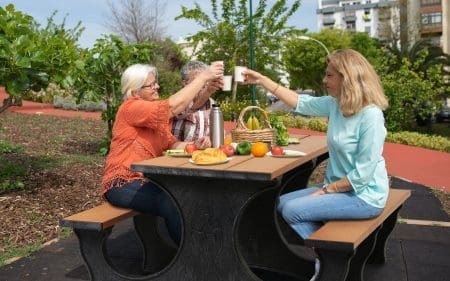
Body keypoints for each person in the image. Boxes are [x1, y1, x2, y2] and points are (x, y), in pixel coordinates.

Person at [243, 49, 389, 281]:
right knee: (280, 203)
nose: (324, 80)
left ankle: (328, 259)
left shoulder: (370, 116)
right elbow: (301, 102)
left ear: (347, 77)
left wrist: (325, 190)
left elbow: (361, 176)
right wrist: (262, 80)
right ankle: (327, 251)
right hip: (339, 188)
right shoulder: (335, 104)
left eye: (330, 75)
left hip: (364, 196)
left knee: (293, 211)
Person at [101, 63, 223, 245]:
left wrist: (195, 145)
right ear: (134, 91)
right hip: (122, 183)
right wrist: (203, 77)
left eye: (155, 82)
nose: (157, 86)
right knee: (171, 201)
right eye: (150, 85)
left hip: (147, 180)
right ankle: (193, 254)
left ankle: (205, 246)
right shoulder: (131, 108)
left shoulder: (152, 115)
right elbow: (174, 106)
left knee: (187, 195)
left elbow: (172, 144)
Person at [172, 61, 223, 147]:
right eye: (199, 81)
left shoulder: (211, 103)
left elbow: (219, 132)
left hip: (203, 155)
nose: (204, 85)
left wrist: (209, 138)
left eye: (206, 80)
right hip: (178, 155)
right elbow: (187, 110)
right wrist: (207, 92)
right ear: (185, 83)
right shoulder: (177, 101)